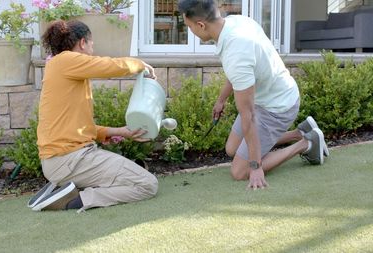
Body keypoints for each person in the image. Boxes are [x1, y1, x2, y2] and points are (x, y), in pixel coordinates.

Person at [178, 0, 329, 189]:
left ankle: (307, 143)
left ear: (201, 25)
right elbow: (240, 74)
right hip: (267, 97)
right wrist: (221, 100)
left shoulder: (236, 51)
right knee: (231, 148)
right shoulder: (236, 22)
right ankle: (299, 132)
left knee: (239, 171)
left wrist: (256, 166)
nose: (190, 31)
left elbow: (248, 114)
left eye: (189, 26)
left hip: (277, 107)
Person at [29, 20, 158, 212]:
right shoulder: (65, 60)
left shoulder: (62, 68)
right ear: (82, 43)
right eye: (91, 44)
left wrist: (121, 132)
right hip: (70, 160)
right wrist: (139, 64)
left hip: (63, 161)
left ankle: (65, 189)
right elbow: (107, 66)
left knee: (130, 177)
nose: (92, 49)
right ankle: (75, 199)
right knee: (147, 184)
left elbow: (79, 127)